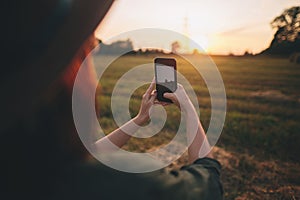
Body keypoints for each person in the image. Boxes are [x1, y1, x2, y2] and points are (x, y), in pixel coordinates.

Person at [2, 0, 223, 199]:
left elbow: (92, 154)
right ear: (70, 75)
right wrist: (187, 106)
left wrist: (138, 119)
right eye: (88, 55)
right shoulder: (125, 184)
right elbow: (208, 181)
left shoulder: (19, 164)